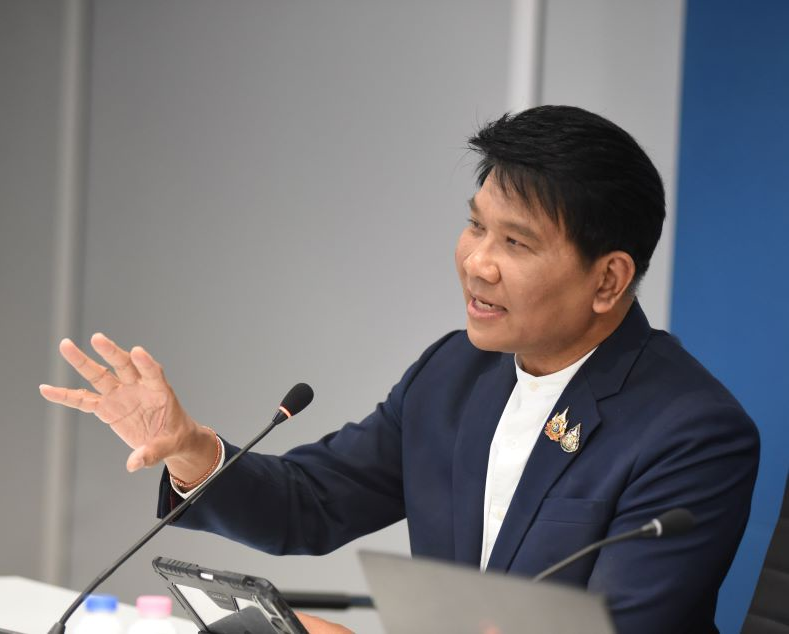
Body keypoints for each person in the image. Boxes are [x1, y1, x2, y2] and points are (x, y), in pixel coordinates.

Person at [40, 105, 760, 634]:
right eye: (476, 225)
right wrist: (194, 452)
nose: (477, 262)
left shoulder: (691, 433)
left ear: (608, 280)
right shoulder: (456, 373)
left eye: (515, 242)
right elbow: (313, 502)